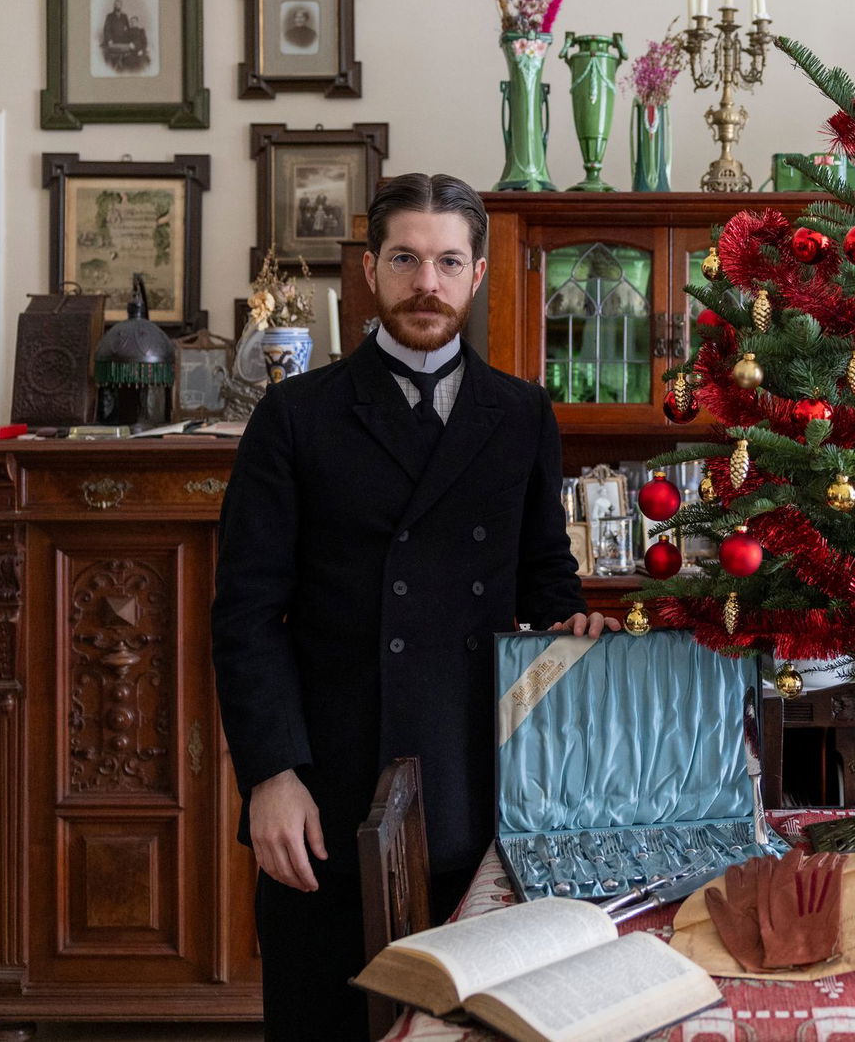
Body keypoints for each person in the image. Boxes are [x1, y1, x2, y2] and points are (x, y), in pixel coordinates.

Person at [212, 172, 619, 1041]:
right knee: (328, 1020)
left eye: (446, 261)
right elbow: (245, 614)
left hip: (485, 787)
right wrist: (270, 775)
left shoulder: (522, 414)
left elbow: (546, 579)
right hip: (333, 784)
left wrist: (572, 623)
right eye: (405, 259)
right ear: (370, 270)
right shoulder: (295, 416)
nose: (425, 282)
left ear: (477, 276)